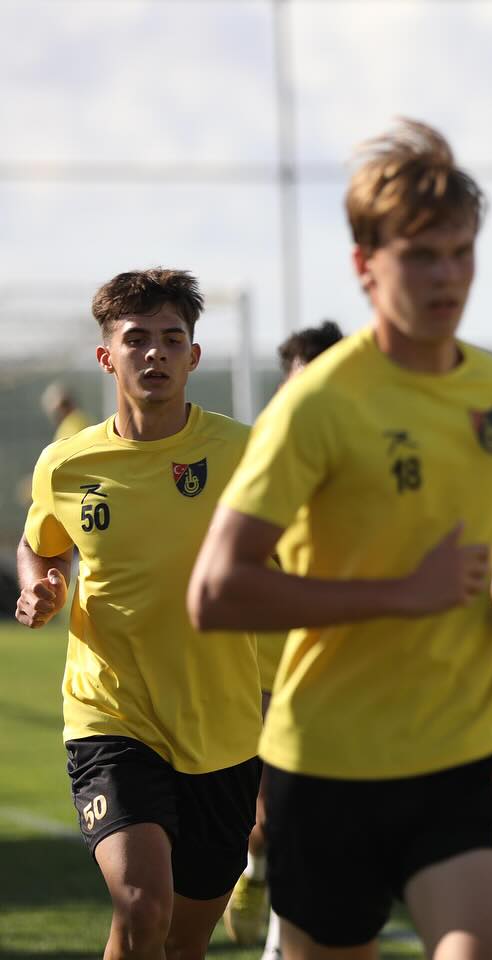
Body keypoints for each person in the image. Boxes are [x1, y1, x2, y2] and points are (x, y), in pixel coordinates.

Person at [186, 118, 492, 960]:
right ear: (365, 265)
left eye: (460, 252)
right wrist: (399, 594)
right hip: (329, 766)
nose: (447, 275)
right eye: (421, 256)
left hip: (469, 750)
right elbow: (214, 591)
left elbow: (467, 515)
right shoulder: (318, 403)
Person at [15, 268, 261, 960]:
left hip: (223, 728)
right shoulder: (66, 464)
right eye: (137, 339)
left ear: (194, 355)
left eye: (172, 339)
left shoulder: (244, 453)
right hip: (111, 716)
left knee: (184, 941)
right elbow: (40, 546)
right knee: (142, 904)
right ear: (107, 356)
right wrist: (40, 586)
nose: (155, 353)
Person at [222, 319, 344, 955]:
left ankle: (279, 942)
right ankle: (255, 864)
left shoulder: (362, 461)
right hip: (258, 670)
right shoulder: (251, 458)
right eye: (301, 382)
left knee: (312, 816)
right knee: (267, 818)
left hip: (334, 670)